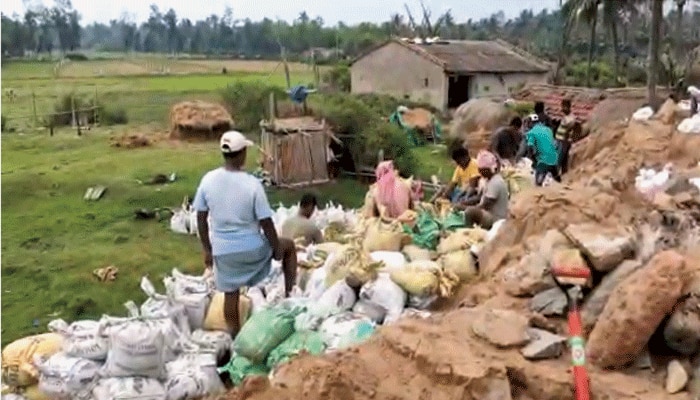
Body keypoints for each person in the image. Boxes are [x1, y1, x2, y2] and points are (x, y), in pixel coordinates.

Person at [193, 130, 297, 337]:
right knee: (289, 247)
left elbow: (200, 218)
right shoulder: (252, 184)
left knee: (230, 294)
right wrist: (276, 248)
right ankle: (289, 296)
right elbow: (266, 222)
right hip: (252, 250)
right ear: (241, 154)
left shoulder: (208, 180)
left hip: (223, 252)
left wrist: (207, 249)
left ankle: (234, 336)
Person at [463, 150, 510, 230]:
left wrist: (463, 207)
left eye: (481, 169)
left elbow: (485, 205)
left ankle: (469, 232)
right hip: (490, 214)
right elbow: (479, 197)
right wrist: (465, 202)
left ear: (488, 169)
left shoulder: (496, 182)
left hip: (496, 219)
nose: (479, 172)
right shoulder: (489, 180)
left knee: (469, 212)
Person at [519, 114, 561, 186]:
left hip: (543, 161)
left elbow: (530, 147)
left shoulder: (531, 133)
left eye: (528, 122)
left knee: (538, 183)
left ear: (531, 123)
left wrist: (532, 158)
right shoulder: (548, 130)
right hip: (554, 158)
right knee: (557, 179)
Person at [554, 99, 576, 175]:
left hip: (563, 141)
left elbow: (569, 129)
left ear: (568, 107)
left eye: (563, 107)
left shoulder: (571, 118)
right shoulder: (565, 117)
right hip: (558, 140)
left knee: (558, 159)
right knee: (560, 160)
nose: (562, 109)